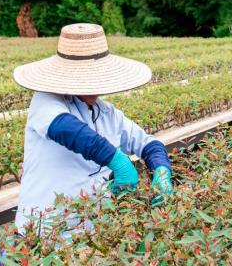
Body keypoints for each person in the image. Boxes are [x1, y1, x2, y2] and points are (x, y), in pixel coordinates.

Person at [12, 23, 173, 233]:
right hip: (45, 233)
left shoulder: (107, 113)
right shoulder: (46, 101)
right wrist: (118, 160)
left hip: (95, 234)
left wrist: (161, 170)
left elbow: (149, 144)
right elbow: (65, 128)